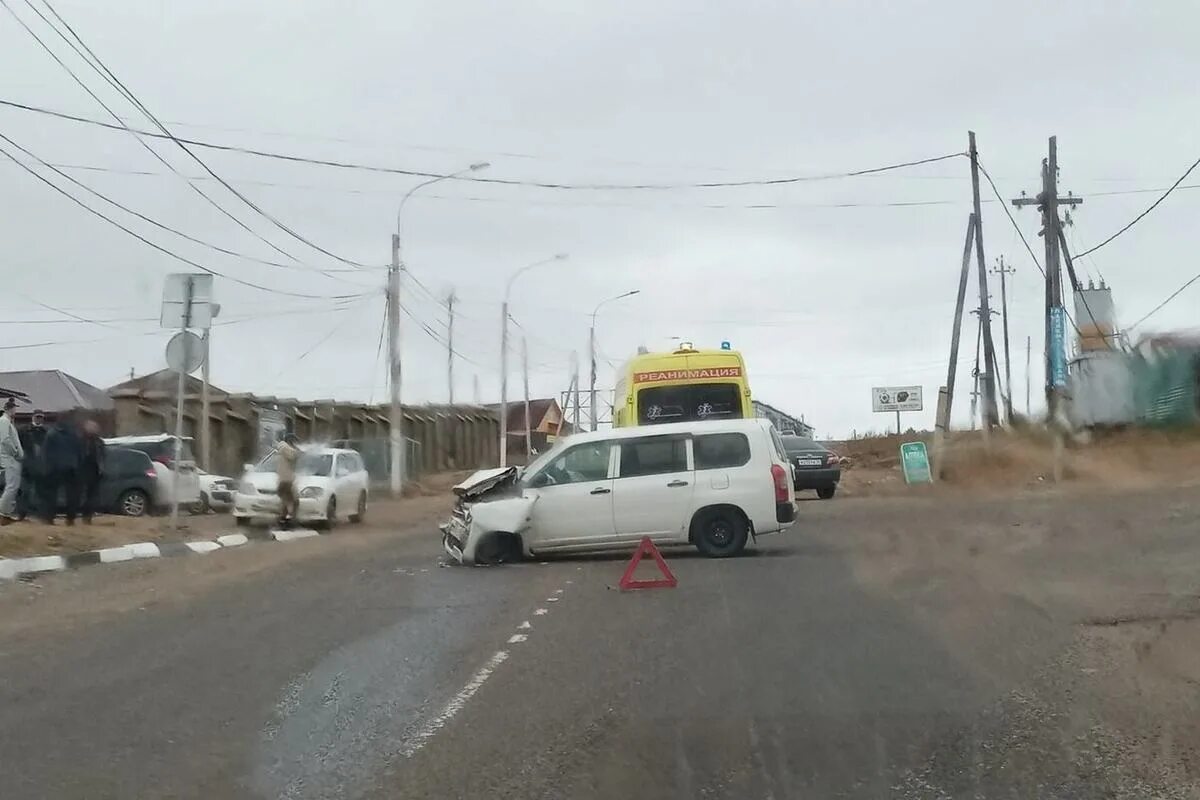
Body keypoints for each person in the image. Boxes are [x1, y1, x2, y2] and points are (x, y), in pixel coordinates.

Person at [41, 413, 82, 525]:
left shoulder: (51, 433)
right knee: (72, 495)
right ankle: (70, 519)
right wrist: (77, 464)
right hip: (71, 467)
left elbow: (46, 452)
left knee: (52, 494)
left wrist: (46, 468)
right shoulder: (74, 434)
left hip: (55, 468)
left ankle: (49, 518)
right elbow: (79, 451)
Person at [16, 410, 47, 521]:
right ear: (33, 417)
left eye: (41, 417)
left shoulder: (46, 432)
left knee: (41, 492)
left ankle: (40, 515)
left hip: (41, 466)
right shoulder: (23, 430)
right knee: (25, 491)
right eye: (37, 417)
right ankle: (22, 514)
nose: (39, 419)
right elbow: (16, 445)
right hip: (27, 466)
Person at [0, 398, 23, 525]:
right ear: (9, 409)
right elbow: (5, 440)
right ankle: (2, 513)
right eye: (14, 408)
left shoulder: (9, 422)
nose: (15, 410)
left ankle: (6, 513)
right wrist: (15, 452)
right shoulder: (3, 421)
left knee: (13, 486)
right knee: (11, 486)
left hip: (13, 458)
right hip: (9, 458)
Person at [79, 419, 106, 524]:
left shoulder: (99, 442)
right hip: (82, 470)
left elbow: (102, 456)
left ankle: (88, 517)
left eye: (94, 427)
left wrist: (102, 468)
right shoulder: (81, 440)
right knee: (83, 495)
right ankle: (83, 515)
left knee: (92, 496)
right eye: (90, 427)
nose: (93, 429)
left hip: (95, 471)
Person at [275, 433, 300, 529]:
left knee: (287, 501)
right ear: (290, 441)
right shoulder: (285, 448)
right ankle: (287, 520)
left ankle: (283, 520)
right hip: (286, 480)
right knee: (293, 501)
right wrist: (298, 451)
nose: (295, 444)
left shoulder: (283, 448)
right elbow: (293, 456)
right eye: (294, 442)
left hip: (284, 480)